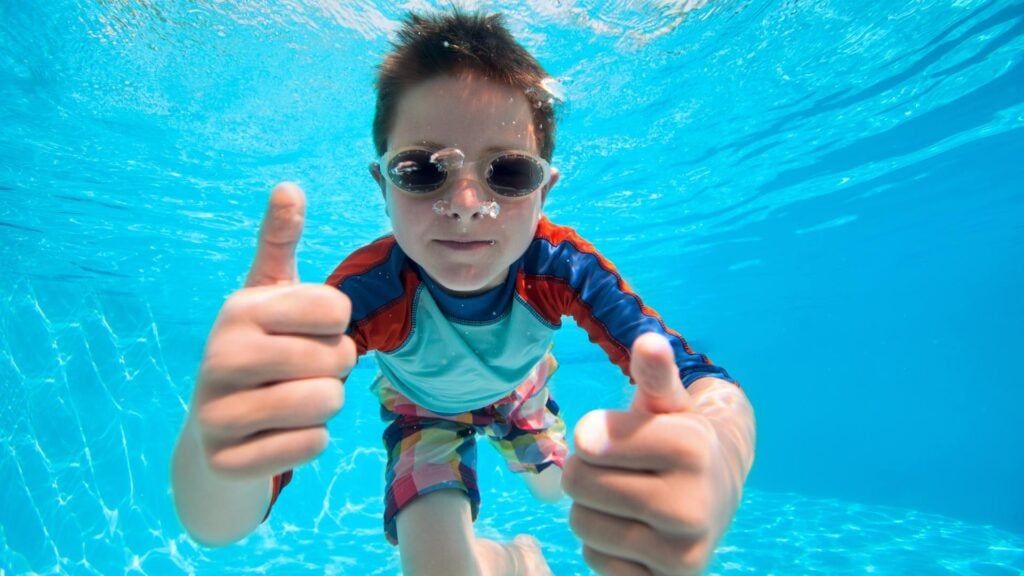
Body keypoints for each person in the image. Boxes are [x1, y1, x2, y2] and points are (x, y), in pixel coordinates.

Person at [171, 10, 755, 576]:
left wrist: (720, 450)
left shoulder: (559, 267)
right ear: (383, 184)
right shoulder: (366, 293)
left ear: (544, 190)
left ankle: (522, 547)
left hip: (520, 394)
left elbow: (697, 377)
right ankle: (511, 562)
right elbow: (221, 526)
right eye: (423, 170)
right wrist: (218, 445)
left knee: (562, 491)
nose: (468, 204)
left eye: (509, 173)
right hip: (422, 409)